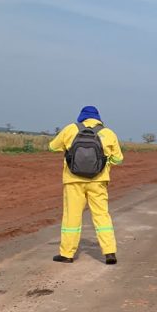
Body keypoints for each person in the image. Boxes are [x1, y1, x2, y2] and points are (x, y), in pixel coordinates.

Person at [48, 106, 123, 265]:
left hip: (73, 181)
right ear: (98, 118)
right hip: (98, 182)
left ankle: (67, 254)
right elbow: (119, 159)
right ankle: (109, 252)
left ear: (81, 117)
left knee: (72, 218)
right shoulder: (108, 133)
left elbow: (52, 146)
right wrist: (105, 163)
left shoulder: (71, 129)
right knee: (101, 216)